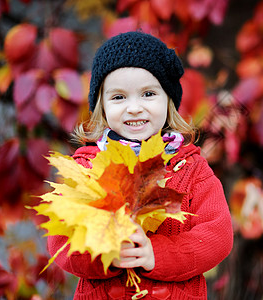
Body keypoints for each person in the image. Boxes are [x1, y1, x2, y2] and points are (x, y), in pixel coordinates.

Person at [47, 31, 233, 300]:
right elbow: (61, 242)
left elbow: (217, 236)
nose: (134, 108)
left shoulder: (191, 169)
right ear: (101, 108)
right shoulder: (88, 169)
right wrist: (107, 253)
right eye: (119, 97)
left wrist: (156, 254)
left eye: (148, 94)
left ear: (168, 101)